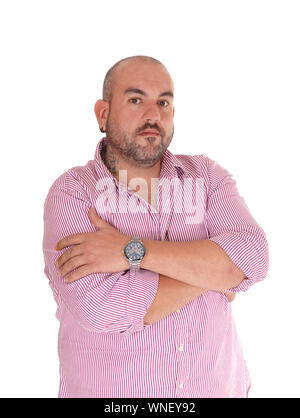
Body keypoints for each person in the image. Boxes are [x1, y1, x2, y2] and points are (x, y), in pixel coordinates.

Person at [42, 55, 269, 398]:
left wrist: (131, 251)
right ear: (103, 114)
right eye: (136, 100)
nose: (153, 115)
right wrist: (214, 274)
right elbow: (100, 307)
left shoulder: (207, 177)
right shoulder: (73, 193)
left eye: (163, 101)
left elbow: (254, 258)